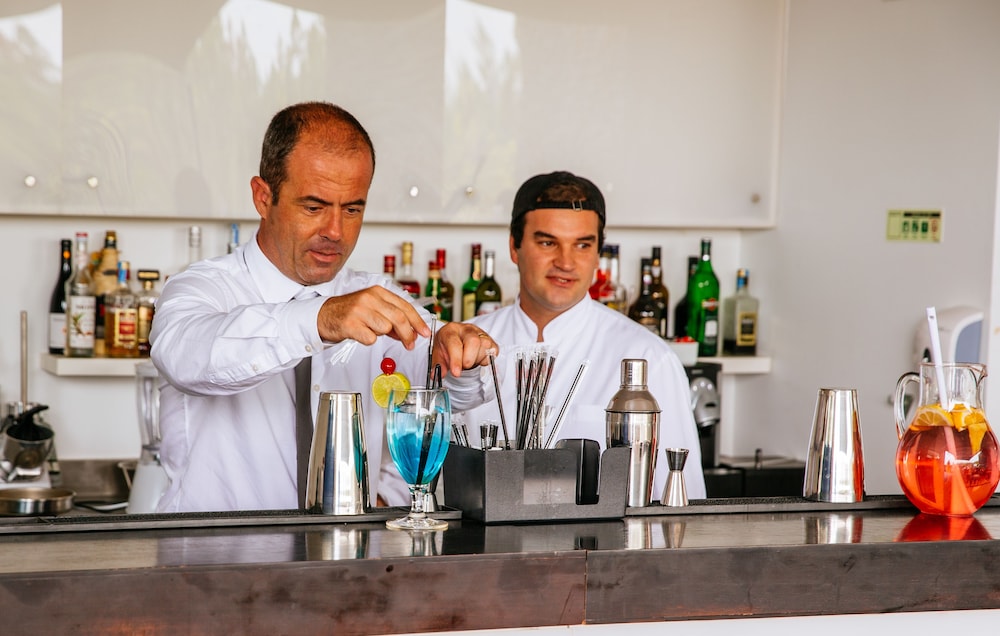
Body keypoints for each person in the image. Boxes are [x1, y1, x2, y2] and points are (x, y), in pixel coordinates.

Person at [150, 102, 496, 513]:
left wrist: (462, 356)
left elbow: (450, 396)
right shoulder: (201, 289)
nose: (335, 232)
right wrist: (320, 318)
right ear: (263, 197)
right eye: (313, 207)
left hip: (345, 564)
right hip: (217, 562)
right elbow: (187, 358)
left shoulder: (378, 295)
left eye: (352, 209)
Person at [450, 171, 707, 500]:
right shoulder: (465, 346)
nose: (566, 262)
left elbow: (683, 501)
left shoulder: (649, 358)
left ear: (598, 254)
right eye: (547, 242)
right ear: (514, 247)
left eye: (582, 245)